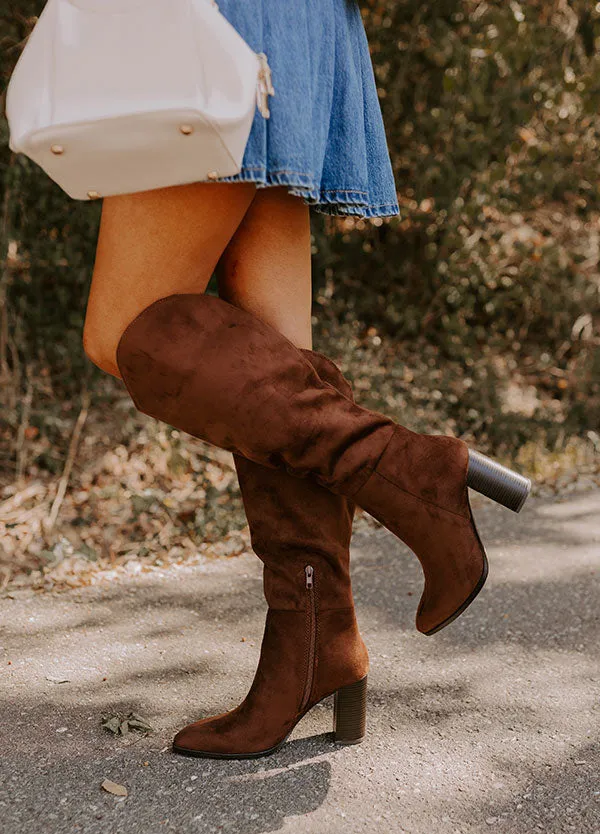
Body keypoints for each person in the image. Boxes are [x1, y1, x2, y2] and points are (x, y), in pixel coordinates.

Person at [82, 1, 529, 760]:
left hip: (214, 22)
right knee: (274, 354)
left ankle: (408, 468)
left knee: (130, 331)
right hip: (291, 24)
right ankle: (317, 642)